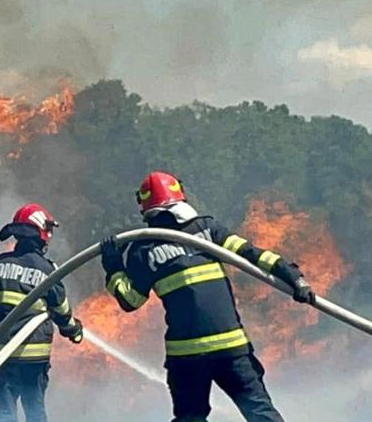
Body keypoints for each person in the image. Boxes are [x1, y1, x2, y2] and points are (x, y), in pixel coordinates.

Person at [101, 171, 315, 422]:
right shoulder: (207, 229)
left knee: (191, 418)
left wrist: (113, 266)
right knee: (260, 413)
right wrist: (294, 277)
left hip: (187, 357)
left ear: (145, 207)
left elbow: (130, 300)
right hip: (231, 351)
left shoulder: (144, 249)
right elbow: (252, 254)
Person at [0, 203, 84, 422]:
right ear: (40, 232)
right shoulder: (47, 269)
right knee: (35, 414)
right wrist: (74, 330)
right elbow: (61, 310)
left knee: (2, 415)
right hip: (33, 361)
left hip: (0, 357)